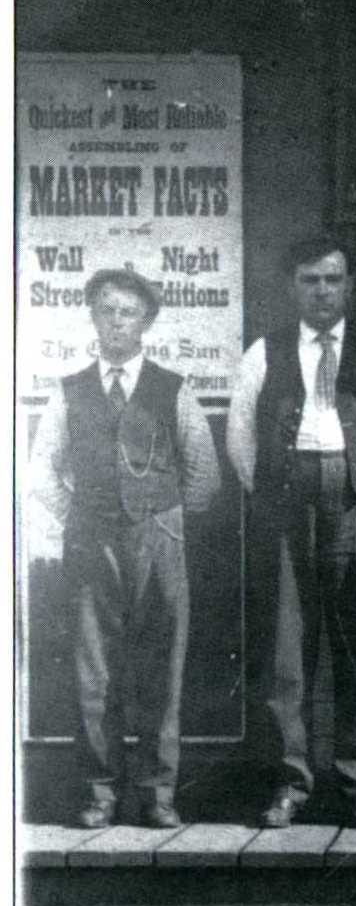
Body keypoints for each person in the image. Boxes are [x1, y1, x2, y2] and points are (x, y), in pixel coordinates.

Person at [227, 233, 356, 829]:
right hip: (285, 505)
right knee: (287, 651)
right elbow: (239, 438)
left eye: (332, 280)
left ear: (349, 286)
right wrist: (268, 497)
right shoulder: (265, 352)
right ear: (293, 287)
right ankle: (292, 782)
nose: (321, 291)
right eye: (310, 280)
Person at [27, 268, 222, 828]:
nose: (117, 321)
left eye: (129, 312)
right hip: (91, 544)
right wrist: (79, 520)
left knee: (163, 668)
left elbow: (204, 473)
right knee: (94, 673)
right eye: (107, 310)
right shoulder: (68, 391)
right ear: (93, 317)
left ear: (147, 322)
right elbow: (41, 472)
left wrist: (164, 519)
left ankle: (159, 794)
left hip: (159, 540)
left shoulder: (173, 387)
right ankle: (100, 794)